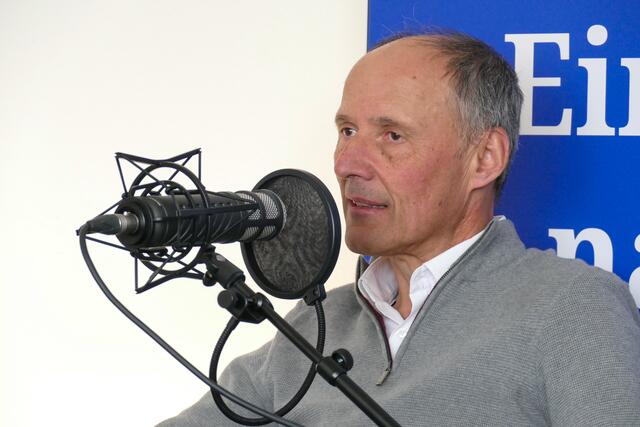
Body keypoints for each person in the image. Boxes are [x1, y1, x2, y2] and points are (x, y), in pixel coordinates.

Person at [160, 31, 640, 426]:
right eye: (347, 131)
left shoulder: (573, 308)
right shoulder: (316, 325)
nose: (348, 163)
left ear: (484, 159)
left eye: (392, 135)